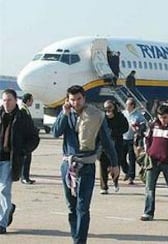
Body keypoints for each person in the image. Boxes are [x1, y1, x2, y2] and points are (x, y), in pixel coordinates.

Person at [52, 85, 119, 243]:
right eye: (72, 100)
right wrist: (64, 114)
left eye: (79, 99)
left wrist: (115, 163)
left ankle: (80, 241)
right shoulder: (66, 115)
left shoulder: (96, 116)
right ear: (68, 101)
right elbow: (55, 132)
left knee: (82, 207)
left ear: (84, 98)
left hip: (86, 165)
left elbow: (107, 142)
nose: (76, 102)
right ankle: (76, 237)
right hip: (68, 165)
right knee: (71, 206)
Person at [0, 89, 39, 234]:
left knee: (4, 190)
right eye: (4, 100)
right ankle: (8, 208)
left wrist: (23, 151)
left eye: (9, 100)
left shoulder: (22, 117)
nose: (6, 103)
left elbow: (34, 138)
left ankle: (2, 223)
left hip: (8, 160)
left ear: (15, 100)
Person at [100, 100, 129, 194]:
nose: (108, 109)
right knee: (103, 166)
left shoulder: (120, 116)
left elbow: (125, 128)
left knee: (115, 165)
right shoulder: (102, 117)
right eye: (106, 108)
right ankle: (104, 187)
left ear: (114, 107)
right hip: (104, 145)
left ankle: (115, 181)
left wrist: (114, 132)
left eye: (110, 107)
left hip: (117, 144)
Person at [122, 98, 146, 184]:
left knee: (131, 158)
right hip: (123, 138)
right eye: (126, 104)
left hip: (133, 139)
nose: (126, 106)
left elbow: (143, 125)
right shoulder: (123, 113)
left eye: (128, 104)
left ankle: (131, 177)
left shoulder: (138, 115)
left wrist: (138, 127)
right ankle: (127, 171)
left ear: (132, 105)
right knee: (121, 157)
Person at [19, 93, 37, 184]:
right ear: (28, 100)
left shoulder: (25, 109)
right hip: (24, 140)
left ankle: (26, 176)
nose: (32, 102)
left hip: (27, 140)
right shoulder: (22, 110)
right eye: (32, 100)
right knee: (26, 159)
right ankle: (24, 177)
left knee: (27, 159)